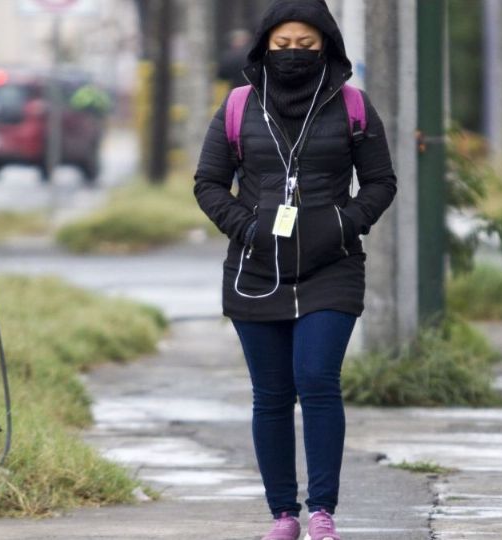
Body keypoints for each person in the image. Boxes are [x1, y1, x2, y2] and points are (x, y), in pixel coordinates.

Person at [193, 1, 396, 539]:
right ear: (264, 48)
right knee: (273, 394)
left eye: (305, 46)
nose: (293, 56)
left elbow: (380, 182)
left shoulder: (352, 105)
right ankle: (284, 515)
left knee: (317, 379)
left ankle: (323, 512)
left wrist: (345, 224)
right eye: (282, 46)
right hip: (255, 270)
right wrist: (249, 229)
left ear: (326, 45)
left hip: (333, 267)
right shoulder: (239, 105)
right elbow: (209, 183)